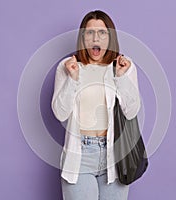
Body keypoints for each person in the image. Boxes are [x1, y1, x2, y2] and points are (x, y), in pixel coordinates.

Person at [51, 10, 141, 200]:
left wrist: (121, 77)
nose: (95, 38)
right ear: (83, 37)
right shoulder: (67, 67)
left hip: (114, 156)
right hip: (80, 155)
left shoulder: (123, 65)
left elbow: (131, 111)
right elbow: (60, 113)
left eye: (102, 33)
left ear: (110, 37)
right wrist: (72, 79)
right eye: (89, 33)